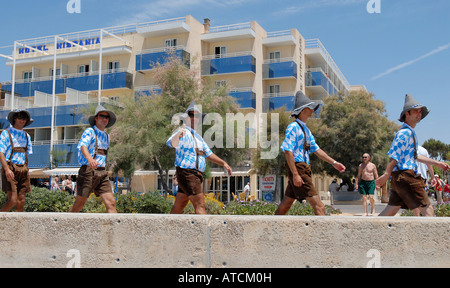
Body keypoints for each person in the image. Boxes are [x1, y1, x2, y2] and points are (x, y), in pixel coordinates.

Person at [376, 94, 449, 216]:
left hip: (400, 176)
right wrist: (386, 174)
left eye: (420, 112)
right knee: (427, 208)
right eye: (415, 111)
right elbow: (394, 154)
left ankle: (372, 231)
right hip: (406, 175)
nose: (419, 114)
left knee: (392, 209)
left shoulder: (410, 132)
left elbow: (416, 156)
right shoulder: (405, 133)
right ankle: (431, 235)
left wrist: (437, 163)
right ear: (407, 114)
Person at [275, 91, 346, 216]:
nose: (313, 110)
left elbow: (317, 150)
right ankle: (324, 234)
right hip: (299, 169)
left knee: (286, 203)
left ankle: (270, 229)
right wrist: (296, 174)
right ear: (302, 110)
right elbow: (287, 151)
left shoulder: (306, 130)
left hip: (303, 169)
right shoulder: (293, 127)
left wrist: (334, 163)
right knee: (319, 206)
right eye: (310, 108)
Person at [167, 101, 232, 214]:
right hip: (187, 173)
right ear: (186, 118)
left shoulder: (198, 138)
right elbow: (171, 143)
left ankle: (168, 229)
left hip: (195, 175)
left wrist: (223, 163)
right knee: (200, 204)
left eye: (196, 115)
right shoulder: (182, 132)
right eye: (191, 115)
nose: (194, 118)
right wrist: (178, 135)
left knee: (179, 205)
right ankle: (205, 231)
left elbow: (208, 154)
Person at [70, 105, 117, 213]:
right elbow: (83, 146)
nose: (104, 119)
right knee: (79, 204)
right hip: (88, 171)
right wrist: (90, 159)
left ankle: (113, 229)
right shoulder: (90, 131)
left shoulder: (106, 135)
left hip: (102, 172)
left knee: (111, 203)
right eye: (102, 116)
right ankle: (65, 226)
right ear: (96, 118)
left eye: (107, 117)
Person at [0, 110, 33, 212]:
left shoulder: (27, 136)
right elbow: (1, 152)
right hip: (10, 167)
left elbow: (25, 154)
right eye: (19, 118)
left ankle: (17, 226)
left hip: (23, 168)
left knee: (21, 201)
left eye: (24, 118)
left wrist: (26, 170)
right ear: (14, 118)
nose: (22, 120)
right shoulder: (6, 133)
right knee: (13, 200)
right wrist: (6, 169)